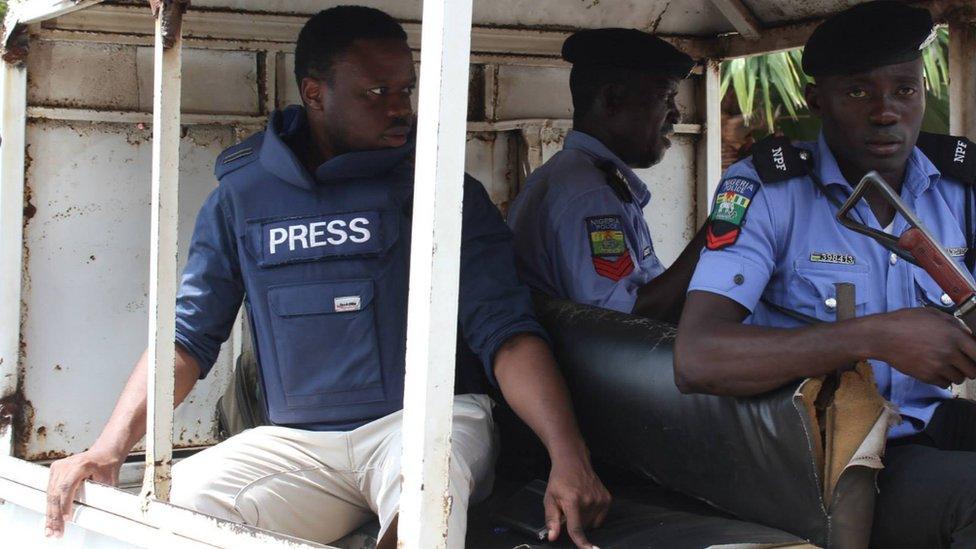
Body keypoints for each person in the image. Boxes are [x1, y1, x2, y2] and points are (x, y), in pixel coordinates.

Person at [43, 7, 609, 548]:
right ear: (315, 94)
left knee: (424, 498)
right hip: (298, 446)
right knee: (172, 509)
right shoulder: (241, 199)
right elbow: (187, 339)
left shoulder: (439, 190)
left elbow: (505, 331)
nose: (401, 108)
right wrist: (108, 448)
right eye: (376, 93)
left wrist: (568, 454)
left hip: (425, 425)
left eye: (406, 89)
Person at [674, 2, 976, 546]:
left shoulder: (959, 185)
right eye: (859, 92)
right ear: (818, 101)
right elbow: (699, 358)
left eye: (904, 90)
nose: (886, 112)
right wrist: (876, 336)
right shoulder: (766, 190)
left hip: (926, 422)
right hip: (822, 456)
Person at [507, 28, 706, 321]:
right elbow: (626, 320)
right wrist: (716, 234)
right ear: (613, 98)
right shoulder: (589, 196)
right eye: (666, 97)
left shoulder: (583, 178)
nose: (676, 114)